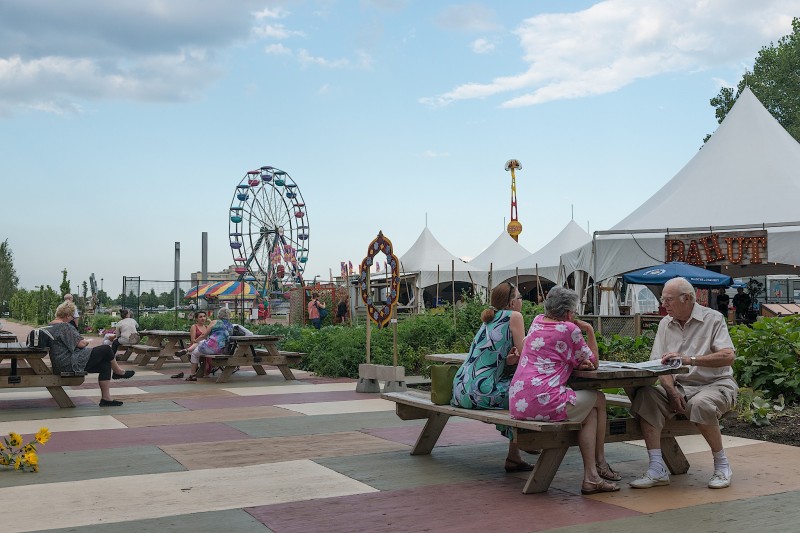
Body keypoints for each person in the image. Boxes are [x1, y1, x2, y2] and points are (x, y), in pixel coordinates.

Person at [509, 286, 620, 495]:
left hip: (518, 400)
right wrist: (588, 330)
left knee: (592, 411)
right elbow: (594, 362)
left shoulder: (537, 321)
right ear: (569, 314)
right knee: (599, 400)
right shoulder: (570, 329)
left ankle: (593, 476)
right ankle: (599, 465)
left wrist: (574, 362)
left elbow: (553, 354)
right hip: (543, 401)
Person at [630, 277, 737, 490]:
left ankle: (722, 465)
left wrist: (691, 360)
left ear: (687, 298)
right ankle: (657, 468)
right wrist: (670, 390)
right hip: (679, 386)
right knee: (645, 396)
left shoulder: (713, 318)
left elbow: (728, 356)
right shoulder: (665, 323)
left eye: (668, 300)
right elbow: (660, 363)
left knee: (701, 404)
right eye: (663, 300)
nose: (664, 305)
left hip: (715, 384)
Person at [451, 282, 530, 473]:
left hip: (461, 388)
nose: (522, 302)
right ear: (512, 303)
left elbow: (491, 356)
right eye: (520, 298)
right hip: (479, 391)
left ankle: (514, 456)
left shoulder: (490, 318)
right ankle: (529, 441)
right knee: (525, 395)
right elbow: (528, 356)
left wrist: (509, 361)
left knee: (516, 392)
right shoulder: (514, 316)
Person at [49, 301, 127, 406]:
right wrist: (85, 341)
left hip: (60, 362)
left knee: (105, 364)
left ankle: (106, 399)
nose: (72, 319)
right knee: (106, 349)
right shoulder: (64, 327)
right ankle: (118, 372)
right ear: (67, 315)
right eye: (72, 316)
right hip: (70, 363)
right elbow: (80, 344)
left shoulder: (50, 326)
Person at [181, 307, 234, 381]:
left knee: (194, 353)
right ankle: (205, 372)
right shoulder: (231, 326)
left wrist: (196, 341)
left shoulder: (214, 322)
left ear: (219, 314)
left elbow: (204, 336)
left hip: (210, 347)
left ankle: (192, 375)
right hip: (222, 350)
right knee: (200, 345)